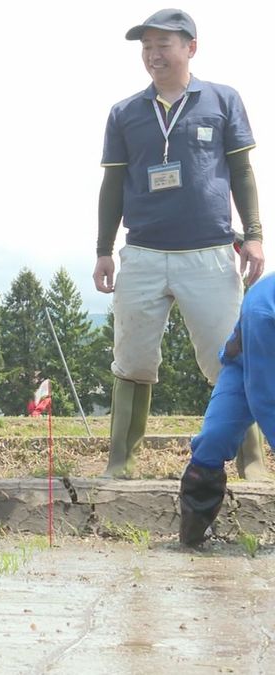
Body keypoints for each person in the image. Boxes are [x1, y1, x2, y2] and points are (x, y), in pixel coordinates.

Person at [93, 8, 266, 479]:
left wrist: (253, 236)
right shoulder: (125, 112)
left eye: (163, 44)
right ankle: (121, 462)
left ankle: (252, 461)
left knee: (229, 354)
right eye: (146, 46)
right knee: (131, 357)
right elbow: (112, 187)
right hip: (144, 252)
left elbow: (242, 173)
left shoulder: (223, 100)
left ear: (190, 47)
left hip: (209, 252)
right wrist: (103, 249)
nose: (153, 54)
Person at [180, 274, 275, 546]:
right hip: (247, 366)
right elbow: (264, 398)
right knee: (213, 440)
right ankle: (193, 538)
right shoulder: (265, 308)